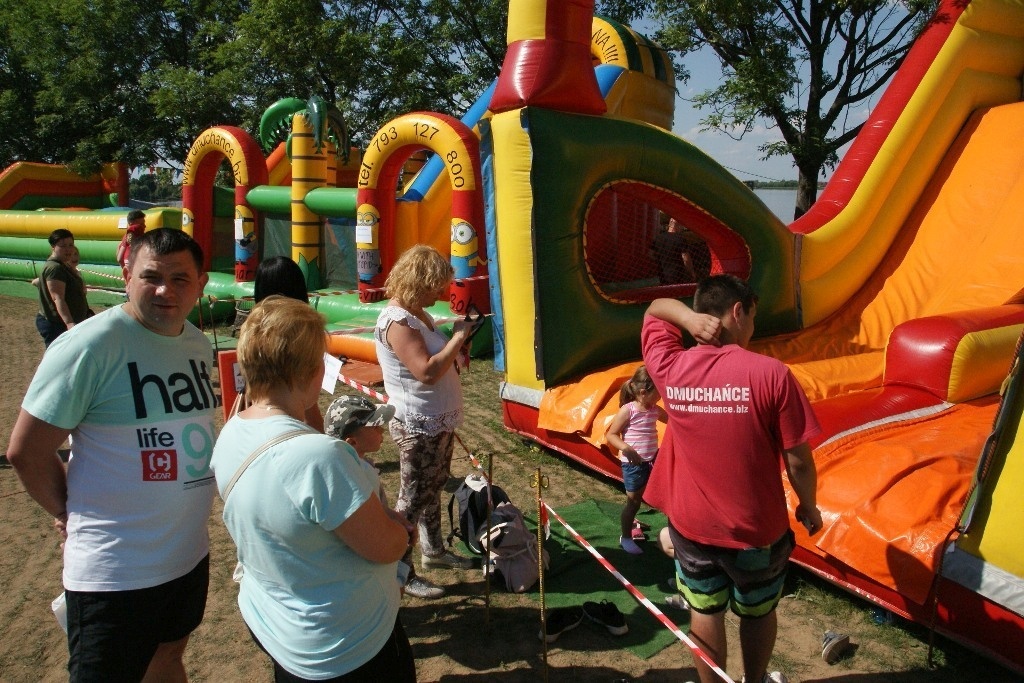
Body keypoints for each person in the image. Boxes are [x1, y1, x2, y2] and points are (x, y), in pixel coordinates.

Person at [7, 228, 216, 682]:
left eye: (180, 279)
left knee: (168, 658)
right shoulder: (89, 345)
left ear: (201, 283)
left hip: (186, 555)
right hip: (115, 570)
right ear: (126, 274)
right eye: (151, 277)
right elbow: (26, 451)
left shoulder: (197, 344)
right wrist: (67, 510)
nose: (165, 290)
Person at [211, 296, 416, 682]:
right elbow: (387, 546)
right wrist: (400, 529)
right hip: (346, 646)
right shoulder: (319, 456)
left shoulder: (231, 432)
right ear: (306, 370)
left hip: (282, 633)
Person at [641, 274, 822, 683]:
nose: (753, 329)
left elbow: (654, 310)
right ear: (738, 312)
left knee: (704, 610)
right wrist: (808, 504)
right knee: (758, 610)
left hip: (692, 528)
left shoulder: (671, 367)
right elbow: (799, 462)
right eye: (752, 318)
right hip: (756, 532)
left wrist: (687, 317)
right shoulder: (772, 374)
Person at [374, 245, 474, 600]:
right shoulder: (398, 321)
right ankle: (402, 572)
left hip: (436, 420)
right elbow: (426, 371)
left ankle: (433, 552)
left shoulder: (416, 314)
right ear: (420, 282)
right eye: (435, 287)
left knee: (434, 487)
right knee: (412, 499)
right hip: (418, 425)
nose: (441, 294)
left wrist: (458, 348)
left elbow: (437, 360)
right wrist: (459, 335)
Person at [230, 255, 324, 431]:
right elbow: (309, 407)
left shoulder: (252, 325)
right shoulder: (300, 330)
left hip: (255, 407)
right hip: (288, 416)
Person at [604, 364, 666, 554]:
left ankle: (664, 533)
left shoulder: (654, 409)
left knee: (656, 497)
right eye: (658, 392)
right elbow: (611, 435)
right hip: (634, 465)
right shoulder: (628, 410)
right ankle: (626, 537)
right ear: (642, 392)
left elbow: (674, 420)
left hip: (651, 461)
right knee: (633, 502)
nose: (660, 396)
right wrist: (626, 448)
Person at [325, 394, 397, 506]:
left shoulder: (336, 470)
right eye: (375, 427)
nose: (382, 430)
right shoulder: (361, 477)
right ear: (352, 442)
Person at [35, 228, 90, 346]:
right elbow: (57, 298)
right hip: (58, 326)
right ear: (53, 247)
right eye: (63, 246)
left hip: (62, 324)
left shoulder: (63, 265)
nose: (68, 249)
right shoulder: (55, 268)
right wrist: (70, 323)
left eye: (71, 245)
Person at [650, 218, 711, 285]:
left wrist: (662, 259)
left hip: (662, 273)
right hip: (677, 273)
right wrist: (691, 273)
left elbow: (651, 254)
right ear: (678, 225)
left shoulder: (658, 238)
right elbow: (686, 259)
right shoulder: (680, 239)